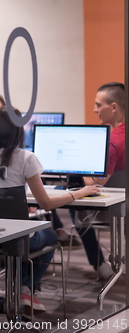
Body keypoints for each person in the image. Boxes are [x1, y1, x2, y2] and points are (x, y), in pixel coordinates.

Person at [0, 108, 99, 315]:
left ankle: (21, 289)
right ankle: (25, 288)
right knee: (49, 236)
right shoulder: (25, 158)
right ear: (18, 130)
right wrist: (79, 193)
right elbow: (45, 203)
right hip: (13, 236)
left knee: (30, 237)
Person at [77, 82, 126, 280]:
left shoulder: (113, 142)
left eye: (98, 105)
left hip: (116, 208)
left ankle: (100, 265)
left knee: (75, 210)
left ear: (113, 107)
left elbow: (94, 185)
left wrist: (80, 165)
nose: (94, 109)